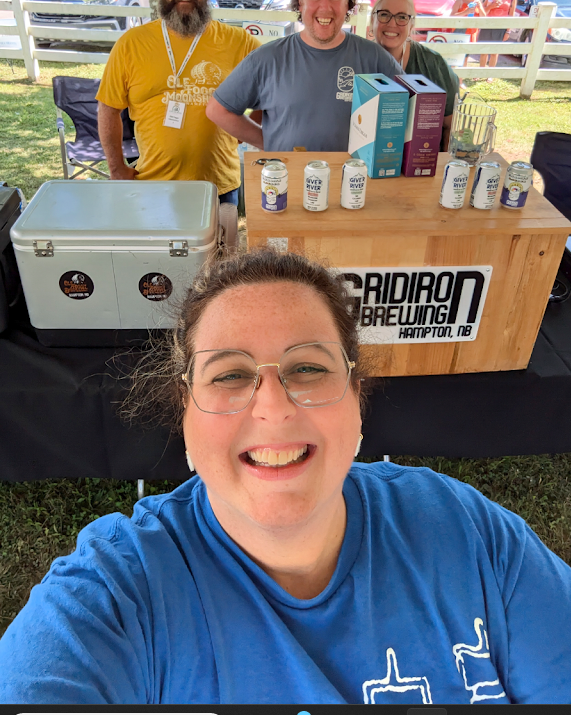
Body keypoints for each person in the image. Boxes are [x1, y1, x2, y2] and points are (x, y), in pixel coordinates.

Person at [1, 247, 571, 704]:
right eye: (229, 375)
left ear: (357, 396)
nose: (272, 407)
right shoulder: (115, 595)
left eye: (308, 368)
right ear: (185, 409)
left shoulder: (469, 532)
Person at [96, 0, 261, 248]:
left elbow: (268, 98)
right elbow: (108, 107)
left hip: (219, 186)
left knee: (220, 270)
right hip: (152, 186)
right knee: (158, 271)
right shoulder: (131, 45)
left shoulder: (239, 43)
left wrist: (242, 133)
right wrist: (116, 167)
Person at [205, 0, 402, 152]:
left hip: (354, 181)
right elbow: (218, 110)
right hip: (288, 181)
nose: (325, 7)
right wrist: (269, 142)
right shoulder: (268, 59)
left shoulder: (375, 59)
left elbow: (413, 112)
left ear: (347, 2)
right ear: (300, 1)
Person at [371, 0, 459, 150]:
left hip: (420, 164)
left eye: (402, 17)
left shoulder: (433, 64)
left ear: (412, 24)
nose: (392, 23)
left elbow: (451, 127)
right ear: (372, 20)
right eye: (384, 14)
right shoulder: (357, 60)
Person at [479, 0, 516, 79]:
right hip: (488, 25)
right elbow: (482, 10)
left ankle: (490, 75)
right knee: (484, 50)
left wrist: (508, 31)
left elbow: (511, 15)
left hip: (501, 26)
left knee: (495, 52)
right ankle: (480, 72)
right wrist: (492, 6)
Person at [451, 0, 486, 69]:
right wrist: (466, 12)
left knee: (465, 58)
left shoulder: (477, 3)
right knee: (455, 58)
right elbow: (451, 16)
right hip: (459, 33)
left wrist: (480, 7)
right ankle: (453, 80)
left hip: (471, 33)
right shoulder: (459, 2)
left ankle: (460, 80)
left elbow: (484, 17)